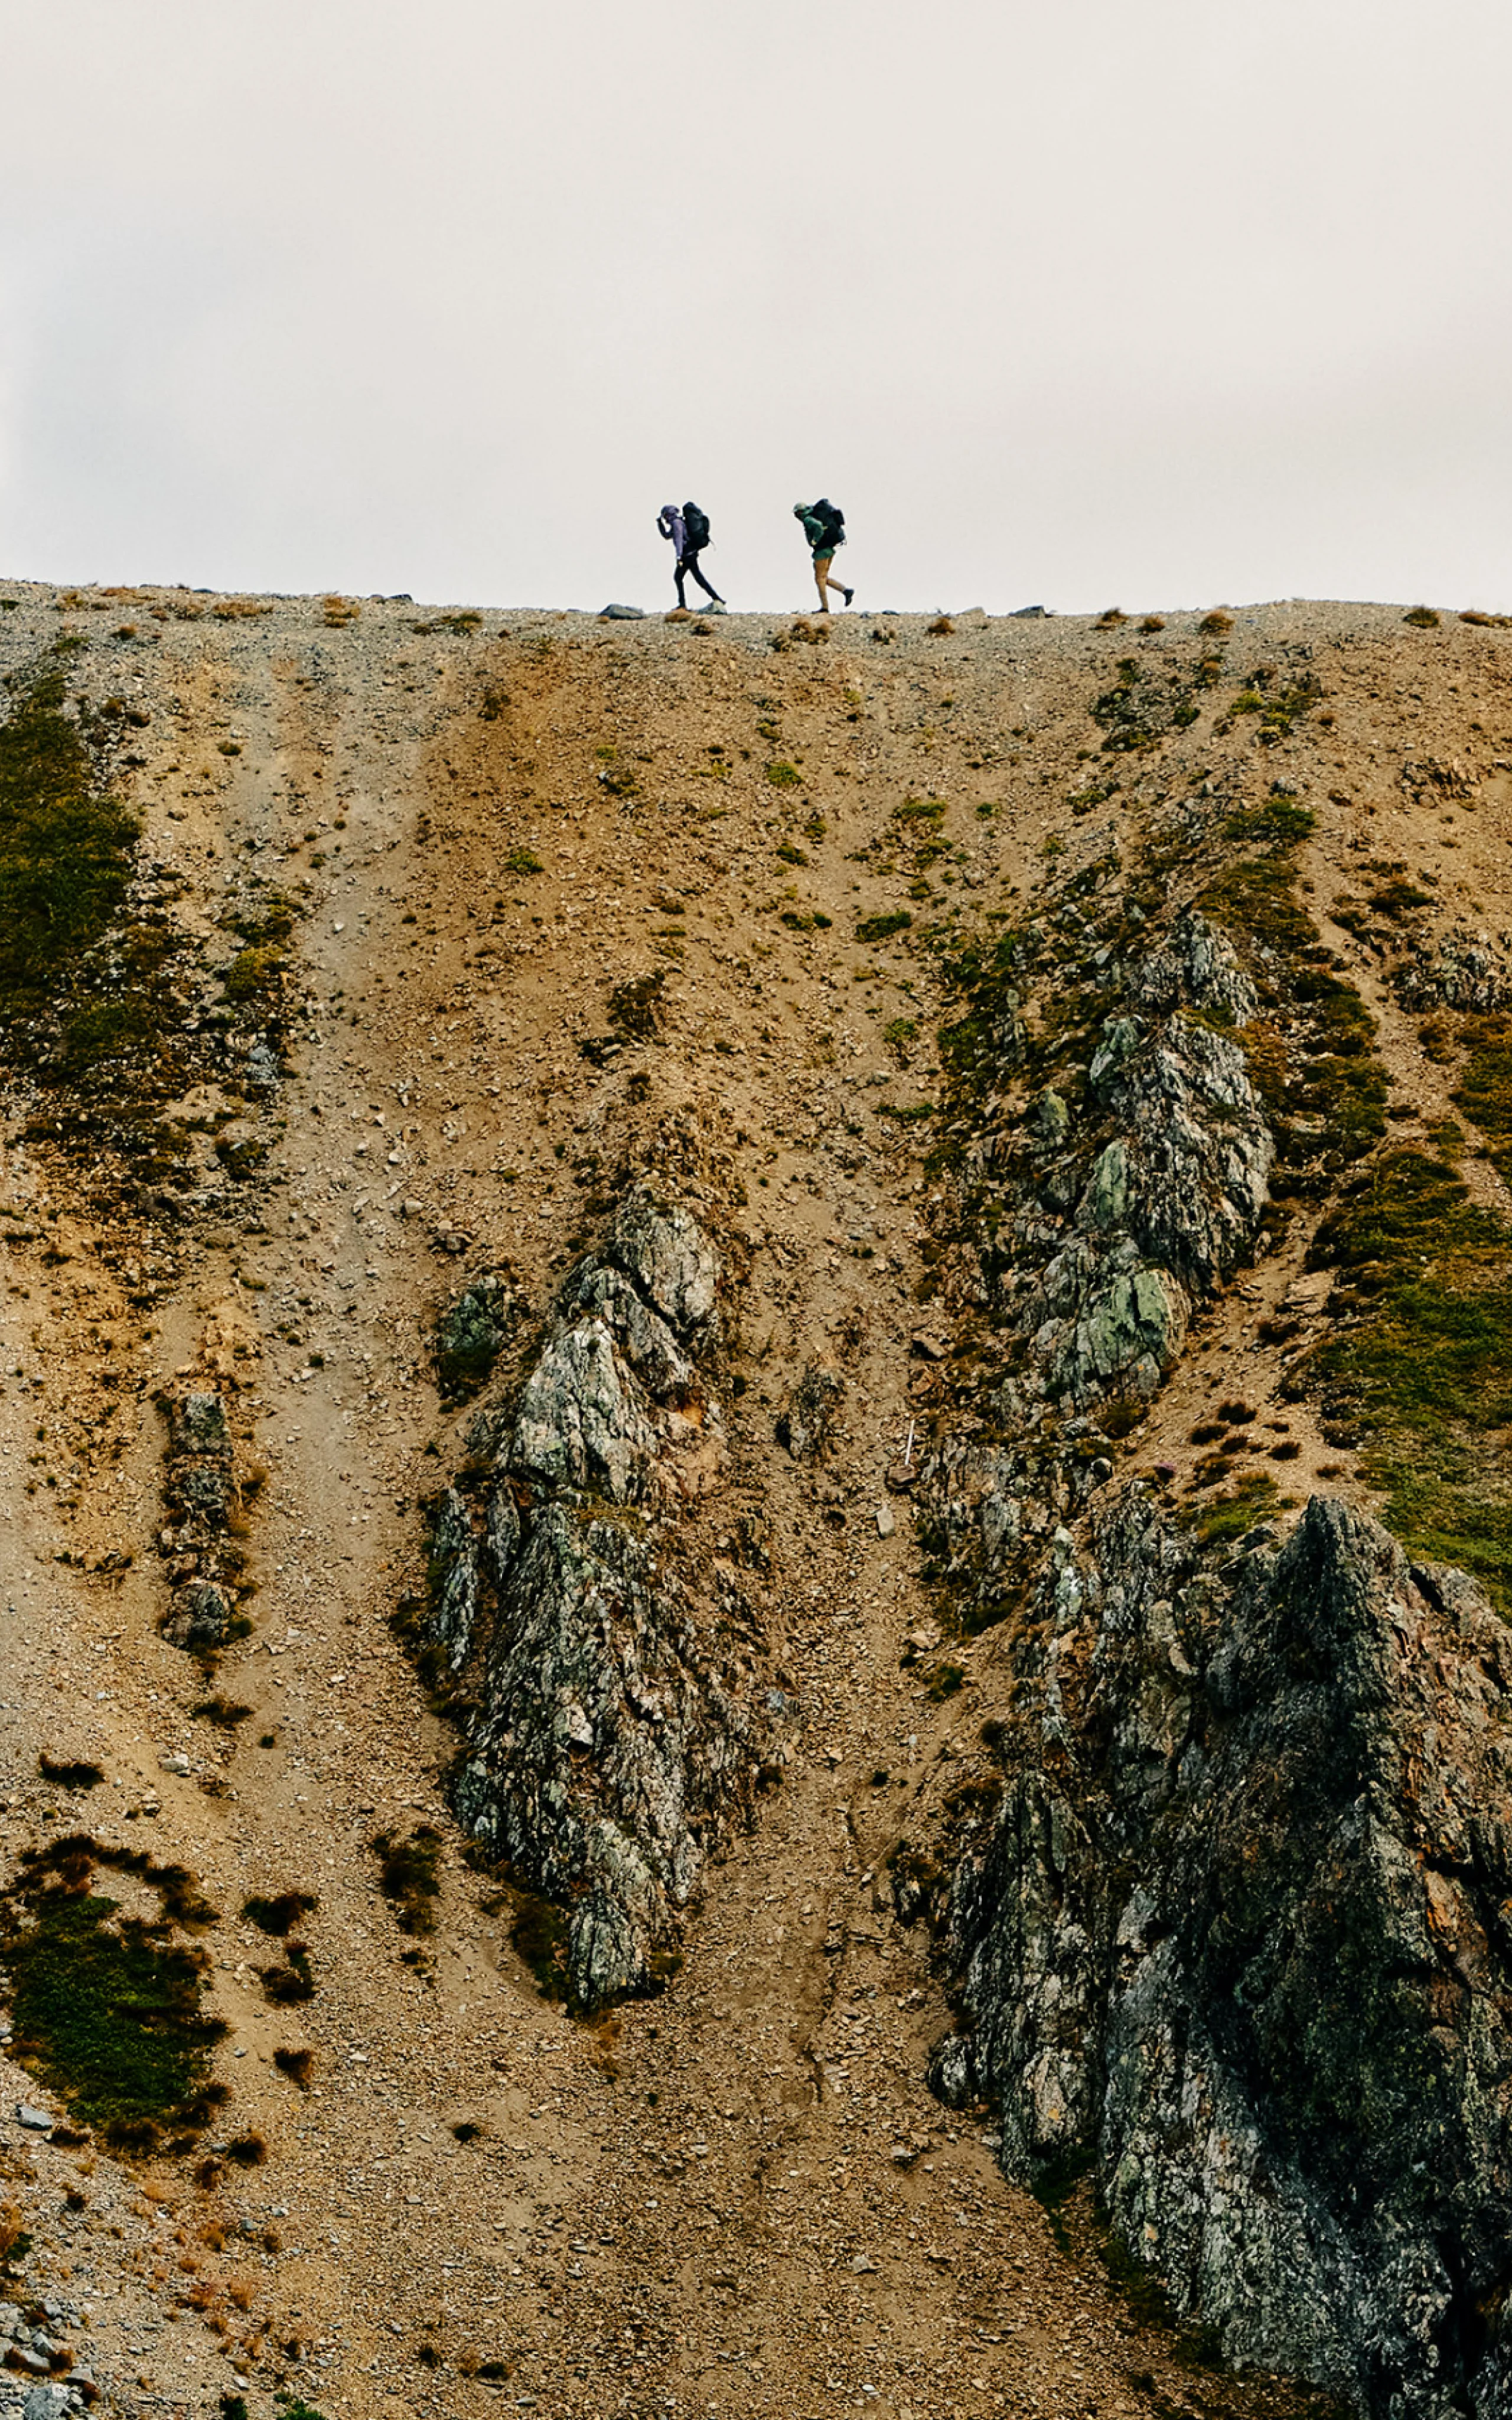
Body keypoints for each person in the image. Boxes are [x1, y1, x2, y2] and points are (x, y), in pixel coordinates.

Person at [657, 502, 724, 610]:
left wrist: (679, 557)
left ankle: (683, 605)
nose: (665, 519)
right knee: (697, 578)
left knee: (680, 578)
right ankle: (717, 598)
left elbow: (679, 540)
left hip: (686, 555)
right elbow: (667, 536)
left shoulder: (677, 524)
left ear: (669, 514)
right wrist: (660, 525)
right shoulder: (678, 522)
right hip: (691, 554)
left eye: (665, 516)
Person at [794, 499, 853, 612]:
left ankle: (825, 607)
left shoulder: (808, 519)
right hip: (830, 548)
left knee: (819, 579)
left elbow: (818, 527)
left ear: (800, 513)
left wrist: (815, 541)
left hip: (822, 551)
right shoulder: (813, 514)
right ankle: (845, 591)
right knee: (823, 577)